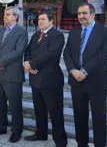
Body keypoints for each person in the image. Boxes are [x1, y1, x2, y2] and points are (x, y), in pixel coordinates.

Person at [63, 3, 107, 147]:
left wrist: (84, 71)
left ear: (92, 14)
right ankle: (81, 144)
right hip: (77, 81)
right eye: (79, 14)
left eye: (84, 13)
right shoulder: (74, 32)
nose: (81, 16)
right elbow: (67, 53)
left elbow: (105, 55)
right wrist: (73, 70)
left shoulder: (105, 31)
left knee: (99, 118)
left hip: (97, 81)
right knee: (79, 116)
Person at [23, 10, 67, 147]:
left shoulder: (57, 35)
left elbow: (51, 54)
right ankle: (41, 133)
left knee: (55, 112)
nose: (40, 21)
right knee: (39, 109)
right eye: (39, 19)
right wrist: (27, 64)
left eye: (43, 19)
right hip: (35, 77)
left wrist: (32, 64)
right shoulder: (36, 34)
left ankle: (60, 141)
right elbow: (28, 51)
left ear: (51, 21)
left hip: (50, 80)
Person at [0, 6, 28, 143]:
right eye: (5, 14)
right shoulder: (1, 31)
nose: (5, 17)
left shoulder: (21, 32)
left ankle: (17, 131)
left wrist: (1, 61)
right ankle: (1, 127)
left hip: (11, 73)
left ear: (15, 17)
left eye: (8, 14)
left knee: (14, 104)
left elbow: (18, 52)